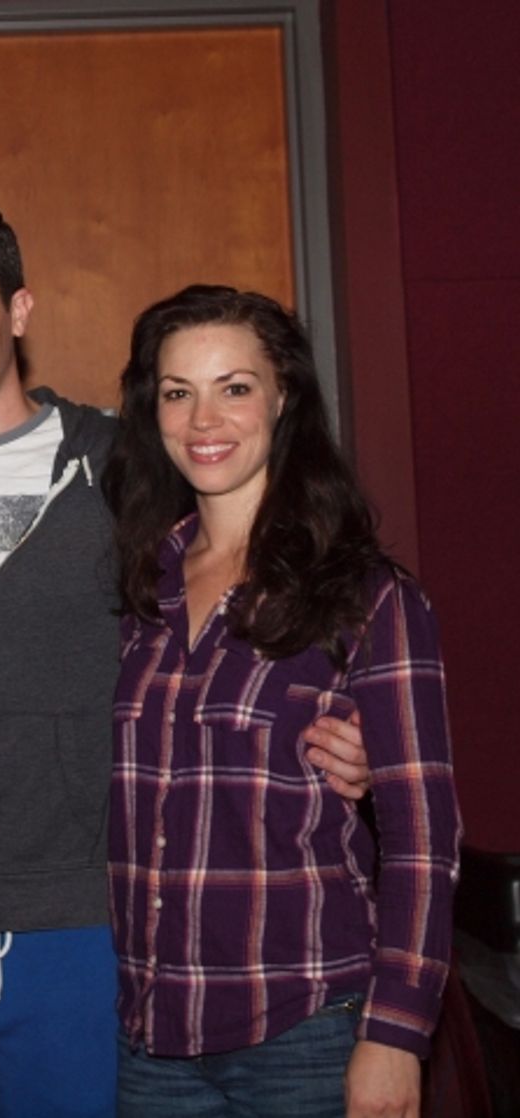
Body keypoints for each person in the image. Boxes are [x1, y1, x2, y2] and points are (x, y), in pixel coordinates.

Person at [0, 194, 373, 1117]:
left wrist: (344, 721)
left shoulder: (132, 471)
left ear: (18, 310)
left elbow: (285, 572)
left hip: (86, 923)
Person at [102, 285, 461, 1117]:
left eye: (234, 387)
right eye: (177, 392)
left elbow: (422, 834)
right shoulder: (132, 596)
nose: (204, 421)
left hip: (306, 1030)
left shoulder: (368, 598)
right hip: (147, 1041)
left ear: (284, 397)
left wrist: (397, 1034)